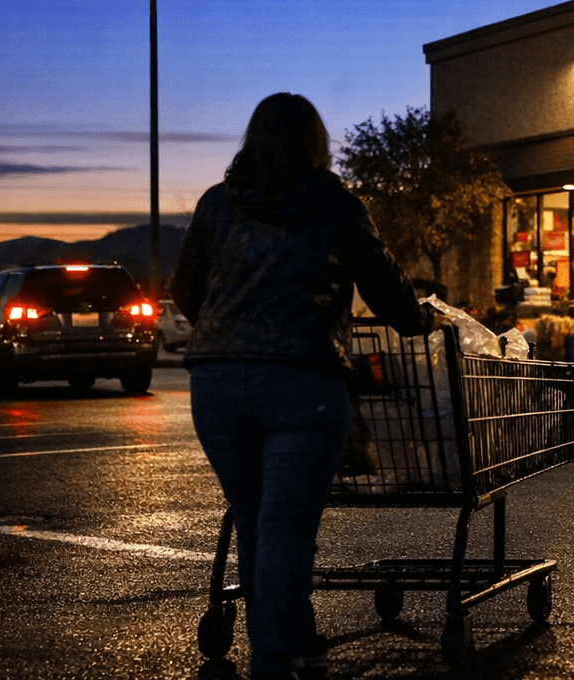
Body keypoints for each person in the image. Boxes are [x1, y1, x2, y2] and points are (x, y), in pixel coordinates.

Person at [170, 93, 431, 680]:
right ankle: (274, 656)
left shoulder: (217, 204)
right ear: (317, 143)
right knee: (285, 525)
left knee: (254, 516)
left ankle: (286, 634)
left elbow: (185, 288)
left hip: (216, 382)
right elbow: (389, 293)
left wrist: (229, 327)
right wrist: (424, 321)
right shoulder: (335, 205)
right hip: (302, 380)